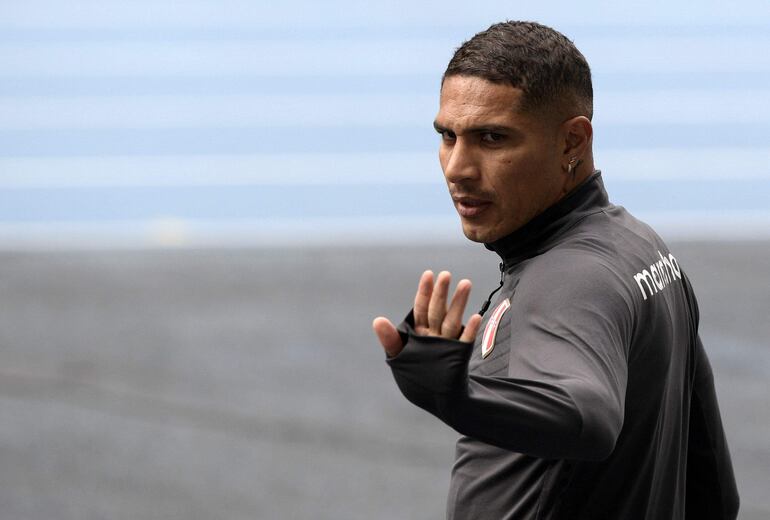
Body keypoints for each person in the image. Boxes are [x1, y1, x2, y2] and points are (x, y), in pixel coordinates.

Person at [372, 21, 739, 520]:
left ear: (572, 142)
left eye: (492, 138)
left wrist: (459, 399)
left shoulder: (567, 281)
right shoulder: (641, 247)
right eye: (448, 136)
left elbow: (587, 418)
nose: (457, 167)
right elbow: (712, 484)